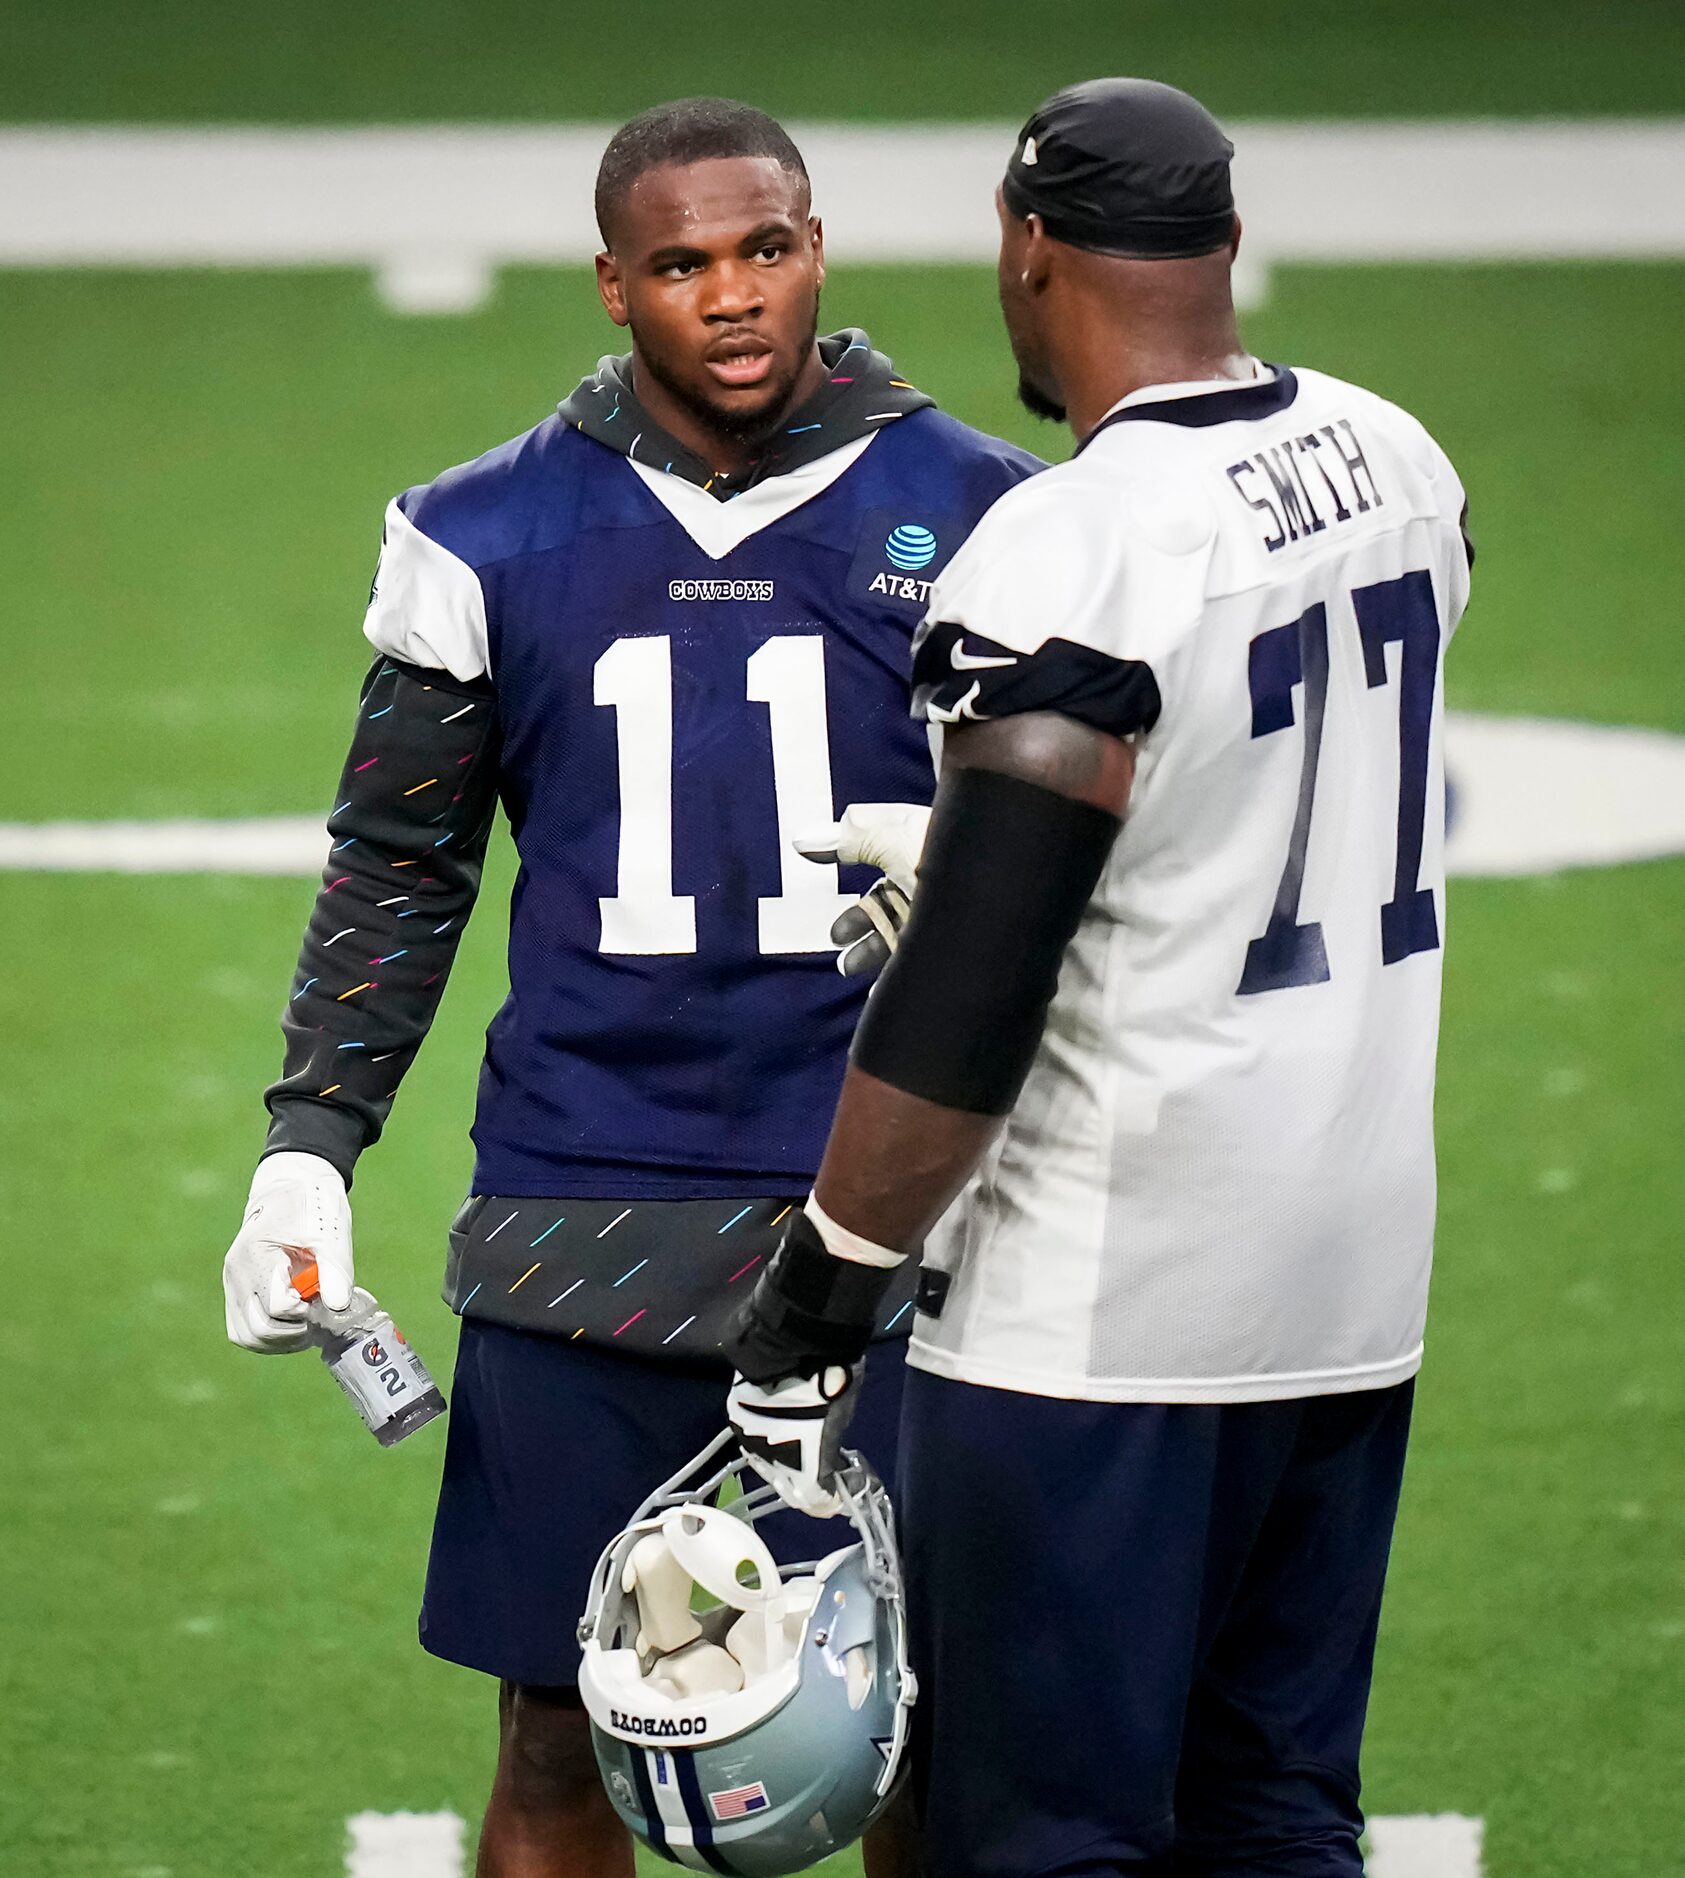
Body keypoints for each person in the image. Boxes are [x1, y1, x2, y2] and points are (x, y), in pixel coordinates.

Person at [220, 97, 1039, 1878]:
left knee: (922, 1712)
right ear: (613, 287)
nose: (733, 297)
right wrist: (308, 1144)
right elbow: (399, 856)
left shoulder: (992, 515)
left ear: (817, 249)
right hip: (582, 1201)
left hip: (899, 1191)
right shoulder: (480, 533)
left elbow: (1087, 871)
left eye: (766, 250)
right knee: (561, 1712)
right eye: (682, 265)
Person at [725, 77, 1474, 1878]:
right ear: (1223, 244)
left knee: (1043, 1836)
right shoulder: (1399, 457)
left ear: (1028, 243)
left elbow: (973, 995)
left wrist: (817, 1298)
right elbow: (1259, 774)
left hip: (1109, 1311)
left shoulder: (1077, 537)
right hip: (1351, 1278)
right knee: (1276, 1813)